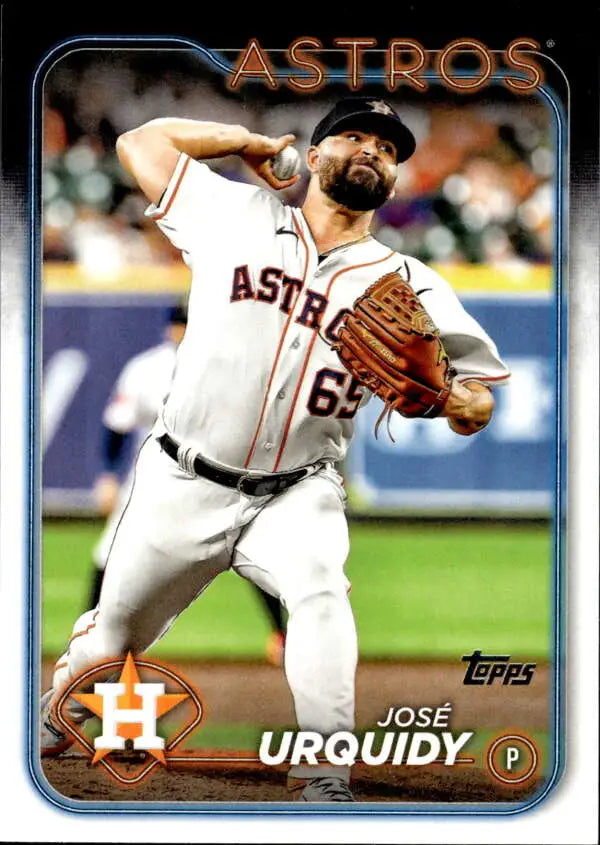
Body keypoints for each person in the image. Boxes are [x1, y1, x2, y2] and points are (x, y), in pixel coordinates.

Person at [41, 97, 510, 802]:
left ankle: (324, 776)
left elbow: (479, 399)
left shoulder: (413, 285)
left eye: (386, 148)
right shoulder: (235, 215)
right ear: (313, 156)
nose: (371, 151)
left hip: (300, 489)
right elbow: (141, 141)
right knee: (112, 643)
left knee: (321, 593)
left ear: (394, 179)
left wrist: (449, 396)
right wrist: (241, 141)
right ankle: (57, 714)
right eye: (353, 136)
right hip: (182, 476)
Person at [86, 303, 286, 662]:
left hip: (192, 477)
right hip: (172, 478)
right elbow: (116, 424)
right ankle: (93, 639)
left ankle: (281, 635)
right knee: (111, 551)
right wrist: (107, 474)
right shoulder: (162, 368)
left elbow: (117, 424)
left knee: (249, 548)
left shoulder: (213, 367)